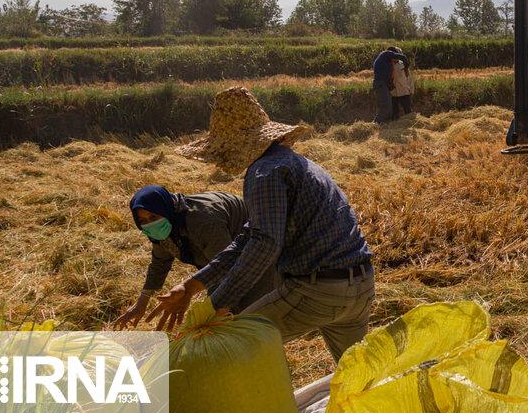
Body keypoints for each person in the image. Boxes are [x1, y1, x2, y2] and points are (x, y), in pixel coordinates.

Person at [120, 87, 374, 363]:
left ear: (235, 145)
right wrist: (191, 286)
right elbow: (247, 237)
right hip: (360, 285)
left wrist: (217, 304)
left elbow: (264, 243)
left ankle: (268, 406)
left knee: (229, 345)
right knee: (359, 374)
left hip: (317, 291)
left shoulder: (264, 172)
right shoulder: (296, 162)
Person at [115, 185, 277, 327]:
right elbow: (160, 263)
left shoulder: (203, 221)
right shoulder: (164, 226)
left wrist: (210, 308)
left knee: (250, 313)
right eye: (142, 221)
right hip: (224, 254)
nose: (150, 224)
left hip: (261, 244)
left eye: (153, 217)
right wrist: (141, 303)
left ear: (165, 209)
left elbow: (225, 267)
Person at [372, 47, 404, 124]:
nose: (397, 61)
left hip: (382, 85)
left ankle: (381, 124)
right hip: (380, 85)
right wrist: (406, 62)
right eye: (396, 59)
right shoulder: (385, 55)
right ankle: (375, 124)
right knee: (386, 107)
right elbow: (402, 57)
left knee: (388, 107)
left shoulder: (388, 63)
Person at [389, 47, 414, 118]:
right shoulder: (388, 65)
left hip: (404, 91)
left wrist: (411, 90)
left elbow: (409, 79)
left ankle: (410, 122)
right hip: (393, 92)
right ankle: (395, 124)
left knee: (408, 110)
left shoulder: (403, 65)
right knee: (395, 111)